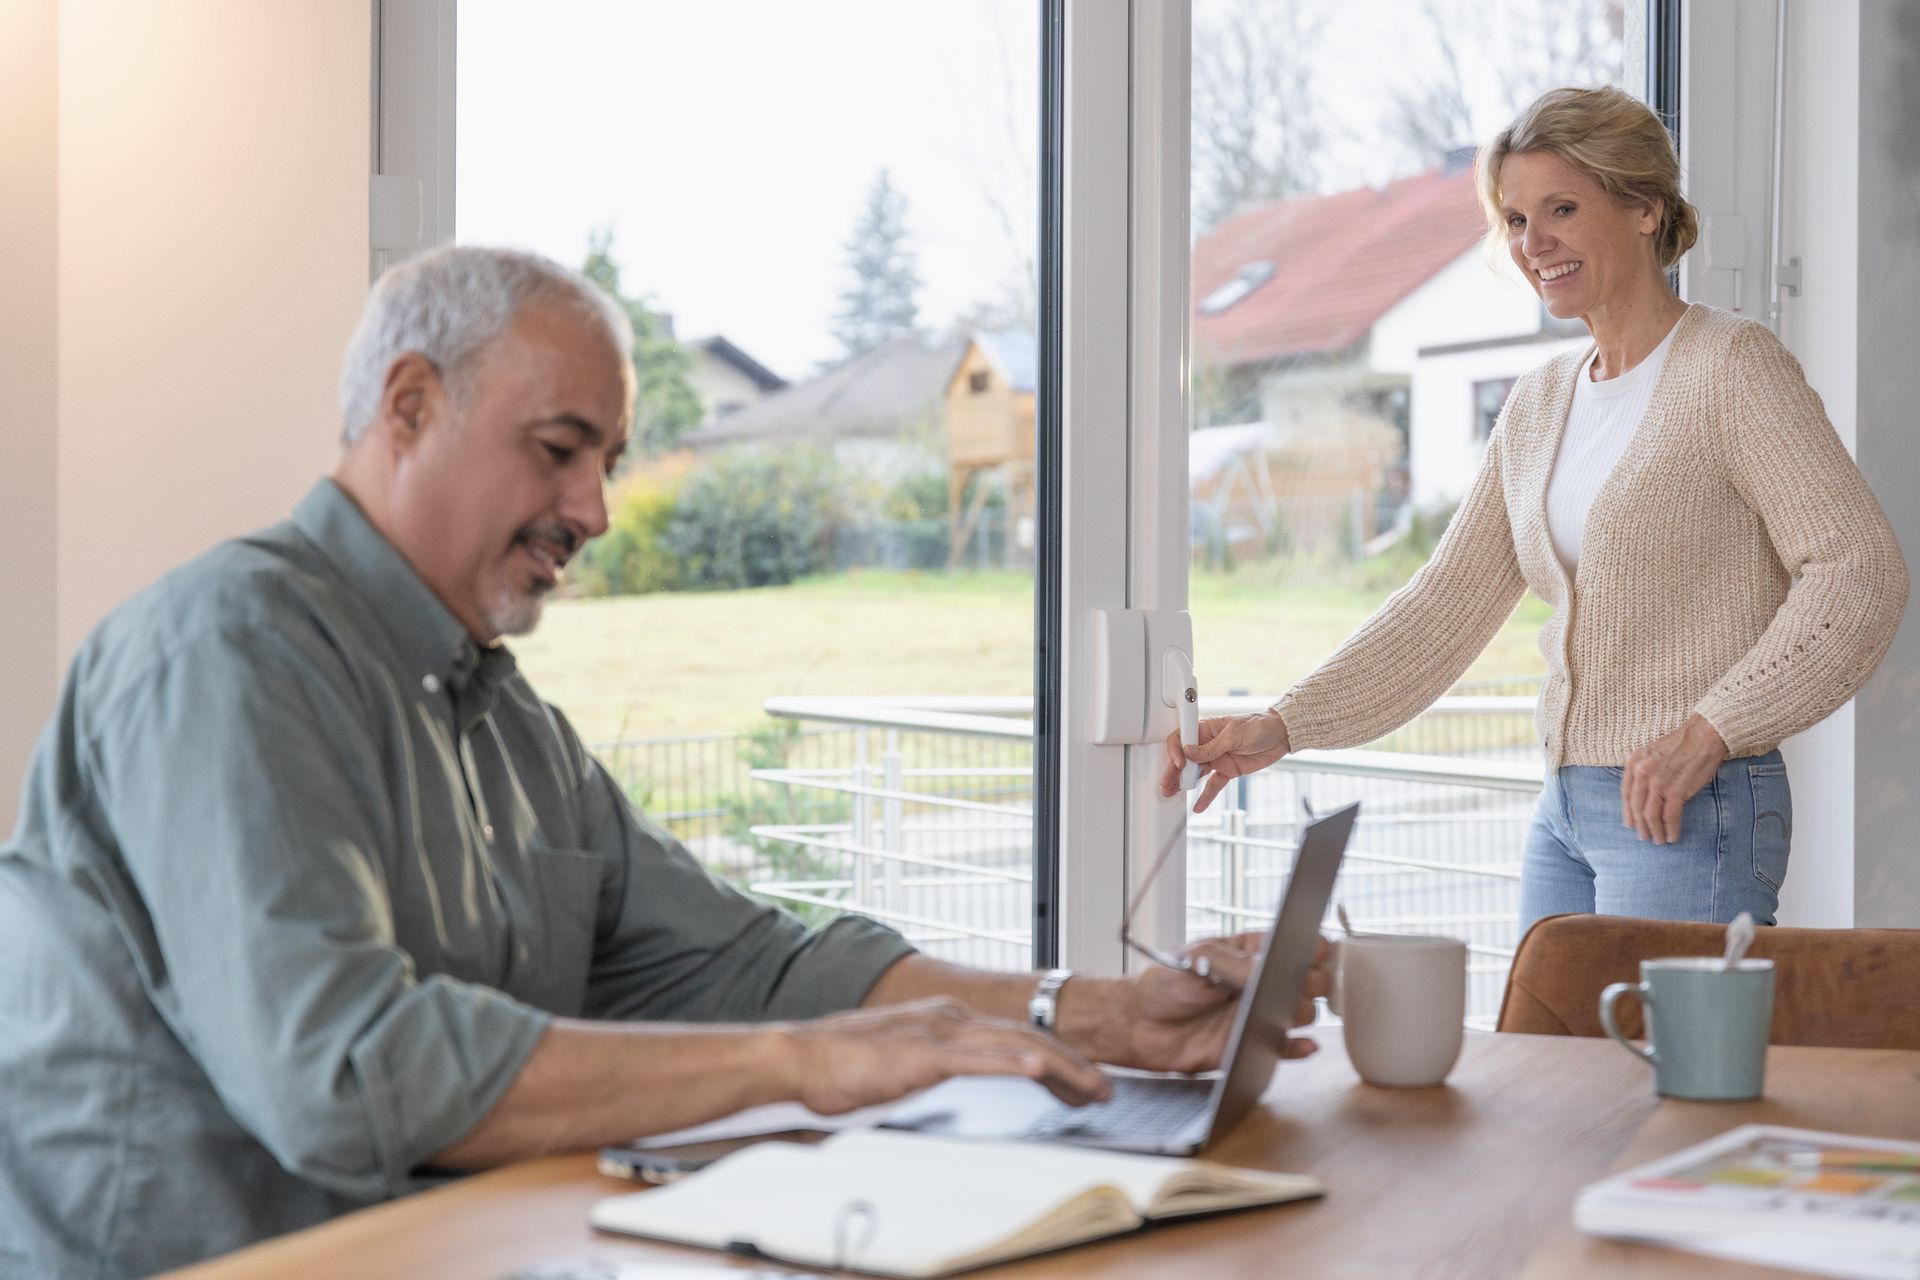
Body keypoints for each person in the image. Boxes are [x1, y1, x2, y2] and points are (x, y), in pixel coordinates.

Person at [0, 246, 1322, 1280]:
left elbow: (748, 963)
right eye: (560, 449)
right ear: (409, 404)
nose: (595, 512)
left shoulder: (504, 722)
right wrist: (809, 1062)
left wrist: (1088, 1015)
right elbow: (346, 1074)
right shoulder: (227, 653)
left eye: (609, 462)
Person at [1164, 86, 1907, 935]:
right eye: (1515, 220)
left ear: (1643, 208)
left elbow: (1857, 572)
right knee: (1545, 1061)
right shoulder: (1539, 401)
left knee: (1655, 1072)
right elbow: (1443, 606)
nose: (1534, 243)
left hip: (1690, 805)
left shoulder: (1731, 367)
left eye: (1561, 208)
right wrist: (1281, 725)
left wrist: (1713, 730)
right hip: (1564, 808)